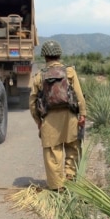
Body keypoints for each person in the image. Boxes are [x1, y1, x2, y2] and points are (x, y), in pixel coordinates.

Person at [29, 40, 86, 191]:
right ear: (59, 55)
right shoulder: (69, 72)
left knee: (52, 153)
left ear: (45, 57)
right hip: (70, 117)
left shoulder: (39, 76)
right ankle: (70, 180)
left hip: (49, 119)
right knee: (73, 148)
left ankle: (56, 187)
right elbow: (79, 96)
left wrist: (38, 121)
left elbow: (32, 103)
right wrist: (83, 114)